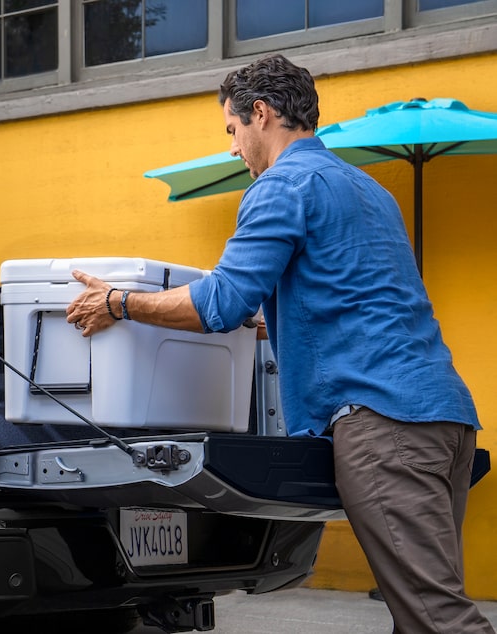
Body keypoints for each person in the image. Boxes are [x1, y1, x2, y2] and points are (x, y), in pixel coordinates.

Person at [64, 53, 492, 634]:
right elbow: (359, 297)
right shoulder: (368, 189)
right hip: (444, 417)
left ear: (260, 114)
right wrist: (278, 322)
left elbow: (220, 302)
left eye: (232, 130)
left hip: (384, 424)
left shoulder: (281, 186)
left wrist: (119, 303)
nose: (233, 148)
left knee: (438, 618)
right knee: (418, 613)